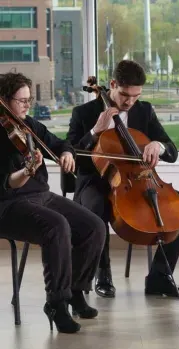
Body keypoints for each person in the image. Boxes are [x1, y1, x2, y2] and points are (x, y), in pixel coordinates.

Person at [67, 60, 179, 299]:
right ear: (113, 84)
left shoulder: (144, 111)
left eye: (135, 96)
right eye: (125, 95)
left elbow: (172, 151)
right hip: (94, 182)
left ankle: (160, 276)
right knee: (98, 207)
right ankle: (102, 273)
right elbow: (73, 157)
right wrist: (95, 132)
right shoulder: (83, 114)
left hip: (136, 181)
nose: (129, 102)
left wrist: (159, 145)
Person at [0, 72, 106, 333]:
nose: (27, 105)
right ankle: (56, 303)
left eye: (29, 99)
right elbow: (7, 183)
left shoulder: (30, 126)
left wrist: (68, 153)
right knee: (56, 225)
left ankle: (76, 292)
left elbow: (60, 144)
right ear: (3, 100)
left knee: (93, 226)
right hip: (8, 205)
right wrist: (26, 172)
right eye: (21, 100)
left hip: (42, 197)